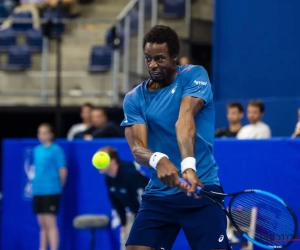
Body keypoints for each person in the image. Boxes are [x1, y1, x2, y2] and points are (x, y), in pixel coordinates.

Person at [120, 25, 230, 250]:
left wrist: (189, 166)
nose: (153, 65)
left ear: (174, 56)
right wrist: (157, 159)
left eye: (160, 58)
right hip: (159, 196)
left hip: (202, 190)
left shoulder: (194, 75)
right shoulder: (134, 98)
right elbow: (138, 148)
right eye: (148, 58)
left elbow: (185, 119)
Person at [97, 146, 149, 249]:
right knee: (126, 243)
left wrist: (145, 221)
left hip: (147, 213)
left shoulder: (130, 174)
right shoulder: (109, 178)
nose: (99, 162)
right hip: (134, 213)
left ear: (113, 160)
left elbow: (145, 198)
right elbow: (116, 202)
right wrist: (123, 223)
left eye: (103, 159)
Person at [32, 123, 67, 250]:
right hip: (37, 190)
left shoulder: (56, 150)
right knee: (42, 224)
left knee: (51, 223)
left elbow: (62, 171)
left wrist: (58, 187)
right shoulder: (36, 150)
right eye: (39, 132)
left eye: (44, 132)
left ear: (51, 134)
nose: (41, 135)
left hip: (51, 190)